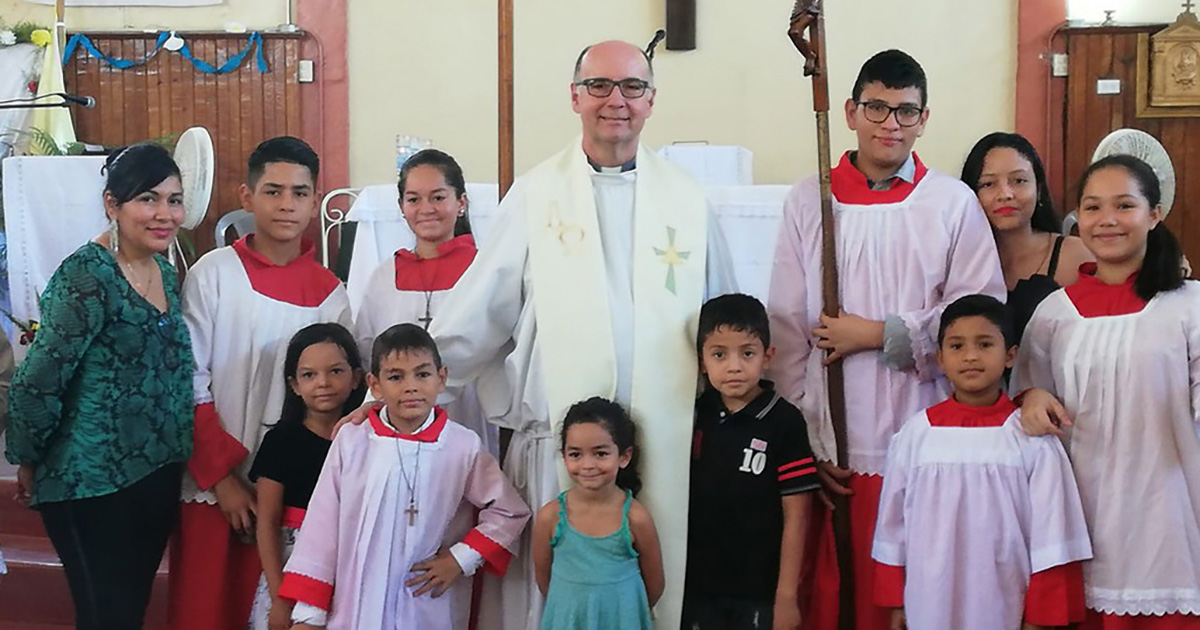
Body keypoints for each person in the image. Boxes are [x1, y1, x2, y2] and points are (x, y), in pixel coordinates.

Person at [421, 39, 735, 630]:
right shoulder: (539, 195)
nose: (616, 100)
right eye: (599, 86)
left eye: (632, 87)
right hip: (559, 453)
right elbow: (476, 316)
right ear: (574, 97)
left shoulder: (687, 200)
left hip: (660, 448)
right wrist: (397, 395)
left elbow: (721, 322)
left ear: (651, 101)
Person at [767, 49, 1007, 630]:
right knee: (837, 595)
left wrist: (877, 334)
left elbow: (978, 314)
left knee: (909, 594)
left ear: (925, 120)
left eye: (905, 112)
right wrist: (804, 441)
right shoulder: (811, 199)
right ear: (850, 111)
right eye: (877, 108)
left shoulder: (951, 204)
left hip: (926, 431)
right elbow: (787, 324)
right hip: (835, 440)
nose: (890, 124)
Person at [5, 143, 193, 629]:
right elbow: (37, 382)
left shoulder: (166, 274)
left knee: (130, 610)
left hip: (154, 471)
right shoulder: (86, 277)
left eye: (174, 200)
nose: (164, 214)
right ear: (113, 204)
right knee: (107, 616)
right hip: (88, 480)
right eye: (148, 199)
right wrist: (28, 456)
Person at [170, 136, 352, 630]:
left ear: (316, 202)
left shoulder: (332, 295)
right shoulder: (214, 274)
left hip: (294, 494)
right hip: (214, 481)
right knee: (206, 608)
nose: (286, 204)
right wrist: (222, 479)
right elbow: (187, 377)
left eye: (299, 192)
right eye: (273, 191)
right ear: (247, 197)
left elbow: (337, 397)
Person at [1016, 155, 1200, 630]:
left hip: (1168, 511)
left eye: (1124, 205)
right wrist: (1032, 399)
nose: (1108, 221)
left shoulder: (1188, 305)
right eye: (1093, 208)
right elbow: (1027, 390)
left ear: (1154, 214)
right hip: (1080, 509)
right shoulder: (1056, 312)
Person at [279, 323, 530, 629]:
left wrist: (460, 559)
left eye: (422, 374)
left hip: (425, 600)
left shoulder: (462, 447)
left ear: (442, 378)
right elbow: (322, 526)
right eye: (396, 377)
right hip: (356, 602)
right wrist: (310, 614)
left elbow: (509, 511)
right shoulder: (353, 440)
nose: (410, 386)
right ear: (375, 384)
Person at [872, 294, 1091, 630]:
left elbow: (1054, 535)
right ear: (940, 359)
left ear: (1010, 356)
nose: (971, 356)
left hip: (1004, 598)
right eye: (957, 346)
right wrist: (894, 599)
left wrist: (1041, 617)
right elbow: (891, 525)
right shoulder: (915, 437)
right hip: (929, 597)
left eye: (985, 344)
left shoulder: (1031, 439)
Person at [684, 294, 820, 630]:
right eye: (719, 354)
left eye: (747, 353)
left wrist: (786, 596)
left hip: (758, 589)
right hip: (698, 587)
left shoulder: (784, 421)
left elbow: (798, 515)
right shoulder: (695, 414)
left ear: (767, 357)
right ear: (702, 361)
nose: (734, 366)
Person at [354, 148, 496, 453]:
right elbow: (367, 349)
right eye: (414, 199)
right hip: (397, 423)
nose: (426, 208)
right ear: (401, 207)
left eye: (438, 197)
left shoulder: (484, 271)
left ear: (461, 203)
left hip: (469, 415)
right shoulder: (384, 276)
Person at [247, 323, 366, 630]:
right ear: (294, 385)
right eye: (309, 375)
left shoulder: (366, 439)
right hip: (292, 566)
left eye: (336, 371)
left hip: (350, 565)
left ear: (357, 378)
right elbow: (268, 522)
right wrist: (280, 596)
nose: (323, 383)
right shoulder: (281, 441)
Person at [531, 396, 663, 630]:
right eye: (575, 454)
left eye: (600, 454)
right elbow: (544, 581)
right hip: (567, 619)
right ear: (564, 456)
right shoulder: (550, 517)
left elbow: (654, 585)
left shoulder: (635, 518)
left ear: (624, 457)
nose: (588, 465)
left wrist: (622, 608)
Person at [960, 132, 1092, 341]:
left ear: (1038, 189)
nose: (1005, 194)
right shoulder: (959, 261)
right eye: (988, 184)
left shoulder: (1076, 256)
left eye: (1019, 181)